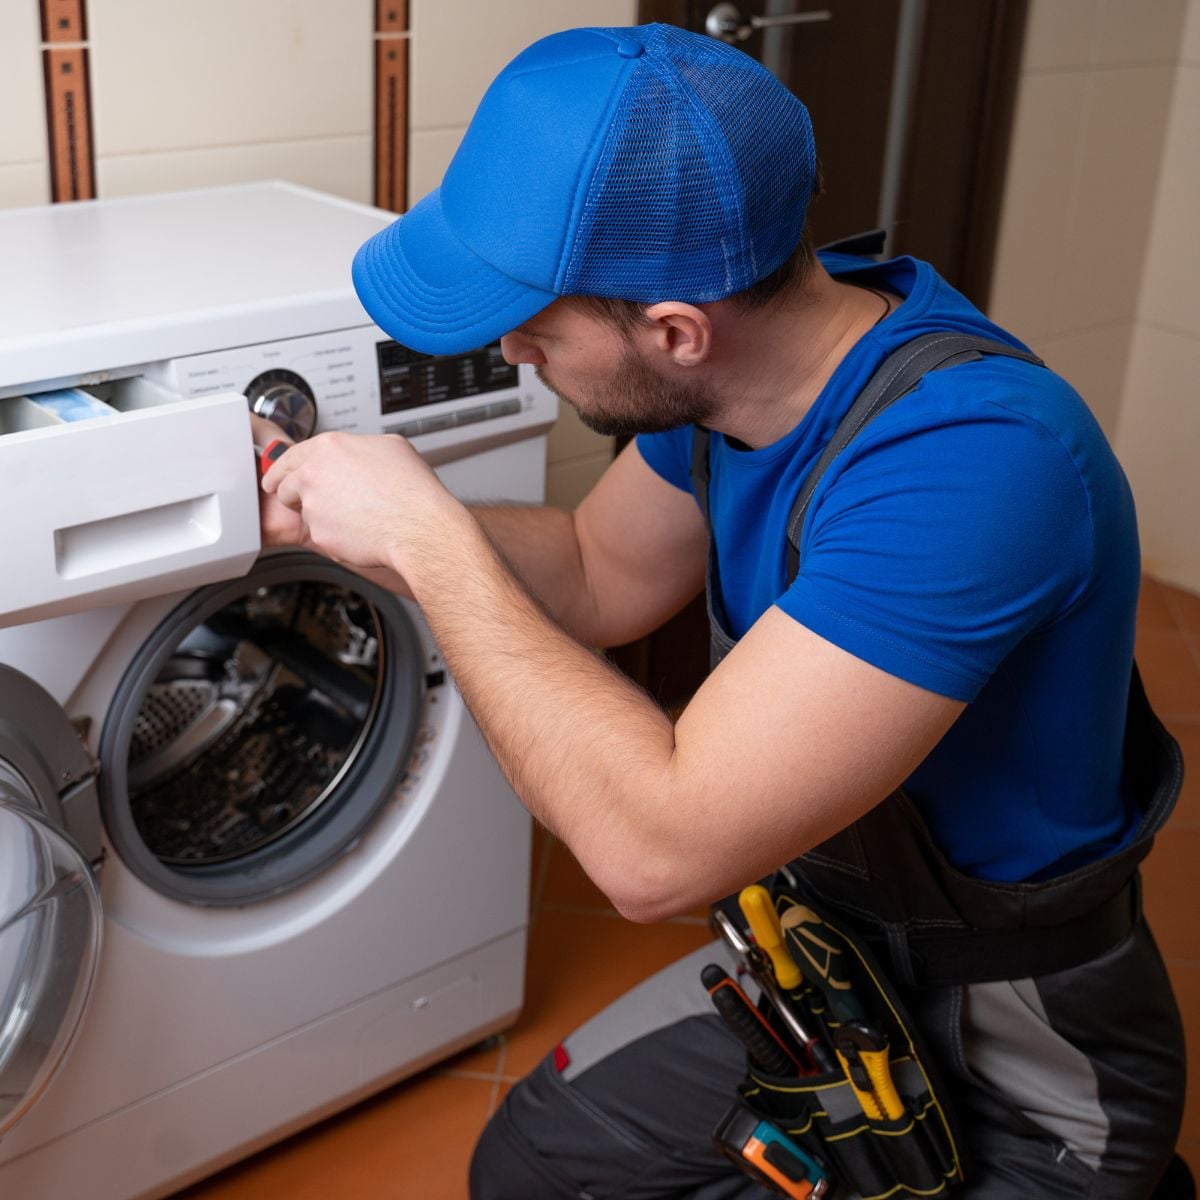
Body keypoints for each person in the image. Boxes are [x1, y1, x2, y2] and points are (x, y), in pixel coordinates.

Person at [256, 23, 1188, 1199]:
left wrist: (432, 547)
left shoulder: (975, 462)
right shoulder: (737, 388)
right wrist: (361, 514)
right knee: (535, 1163)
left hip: (1016, 1043)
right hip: (825, 970)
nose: (510, 347)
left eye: (537, 326)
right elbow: (599, 572)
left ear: (676, 330)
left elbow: (654, 851)